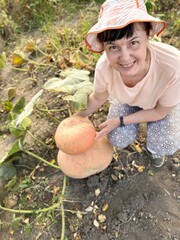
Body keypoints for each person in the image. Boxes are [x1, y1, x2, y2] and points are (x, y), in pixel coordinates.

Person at [76, 0, 180, 167]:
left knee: (165, 142)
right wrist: (76, 118)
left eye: (133, 42)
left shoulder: (173, 67)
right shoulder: (104, 67)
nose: (125, 58)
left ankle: (154, 150)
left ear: (148, 36)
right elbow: (97, 97)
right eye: (113, 47)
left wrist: (120, 120)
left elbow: (160, 111)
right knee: (117, 136)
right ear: (104, 47)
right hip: (129, 101)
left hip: (160, 106)